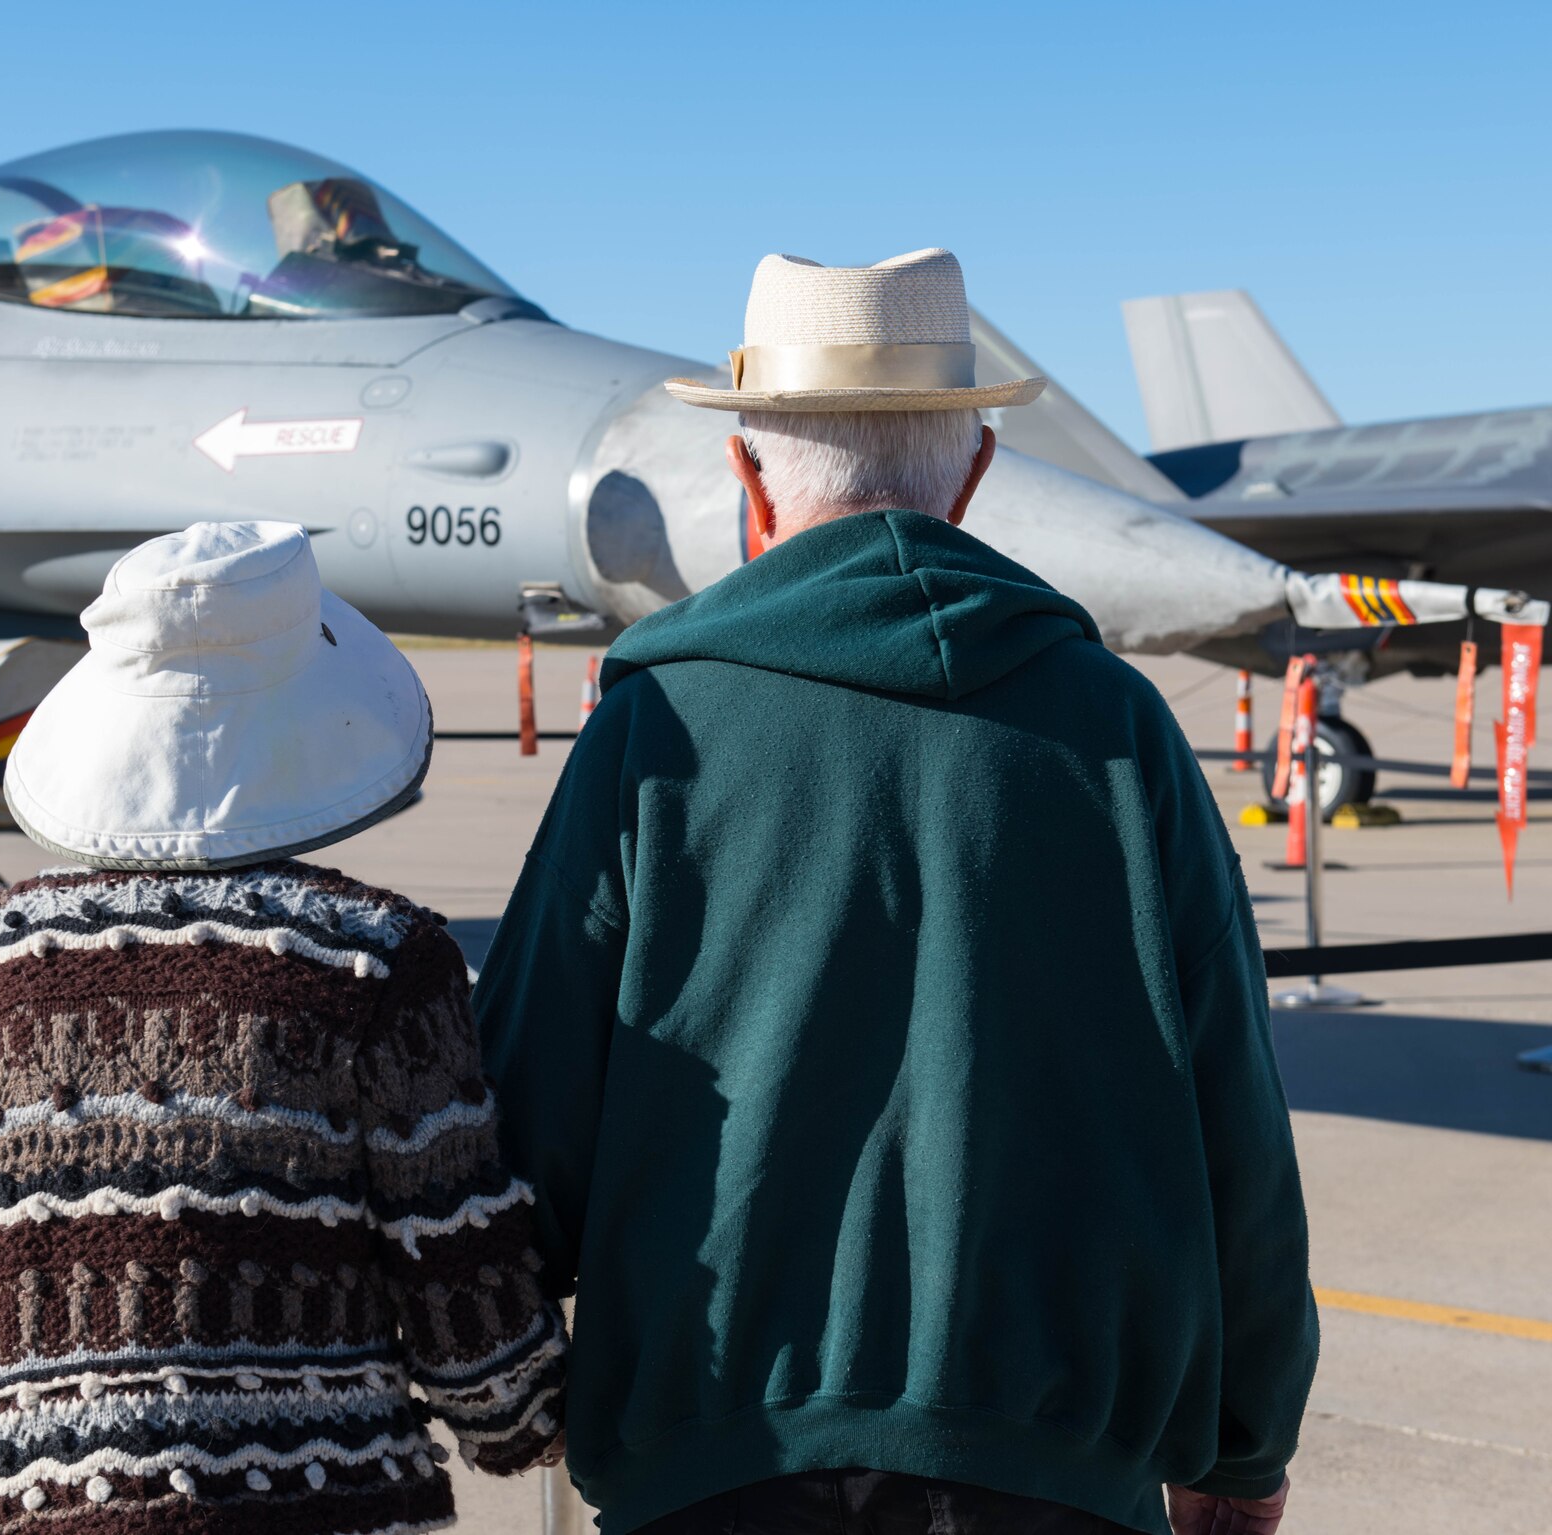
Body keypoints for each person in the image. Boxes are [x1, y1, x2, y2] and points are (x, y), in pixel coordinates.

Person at [474, 250, 1316, 1535]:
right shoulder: (1120, 728)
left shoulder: (652, 727)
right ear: (974, 473)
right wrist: (1242, 1450)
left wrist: (516, 1373)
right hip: (1060, 1483)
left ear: (746, 478)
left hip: (712, 1469)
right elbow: (1234, 1126)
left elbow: (529, 1115)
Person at [0, 522, 565, 1535]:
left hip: (4, 1506)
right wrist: (525, 1415)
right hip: (306, 1507)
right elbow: (450, 1260)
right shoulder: (379, 962)